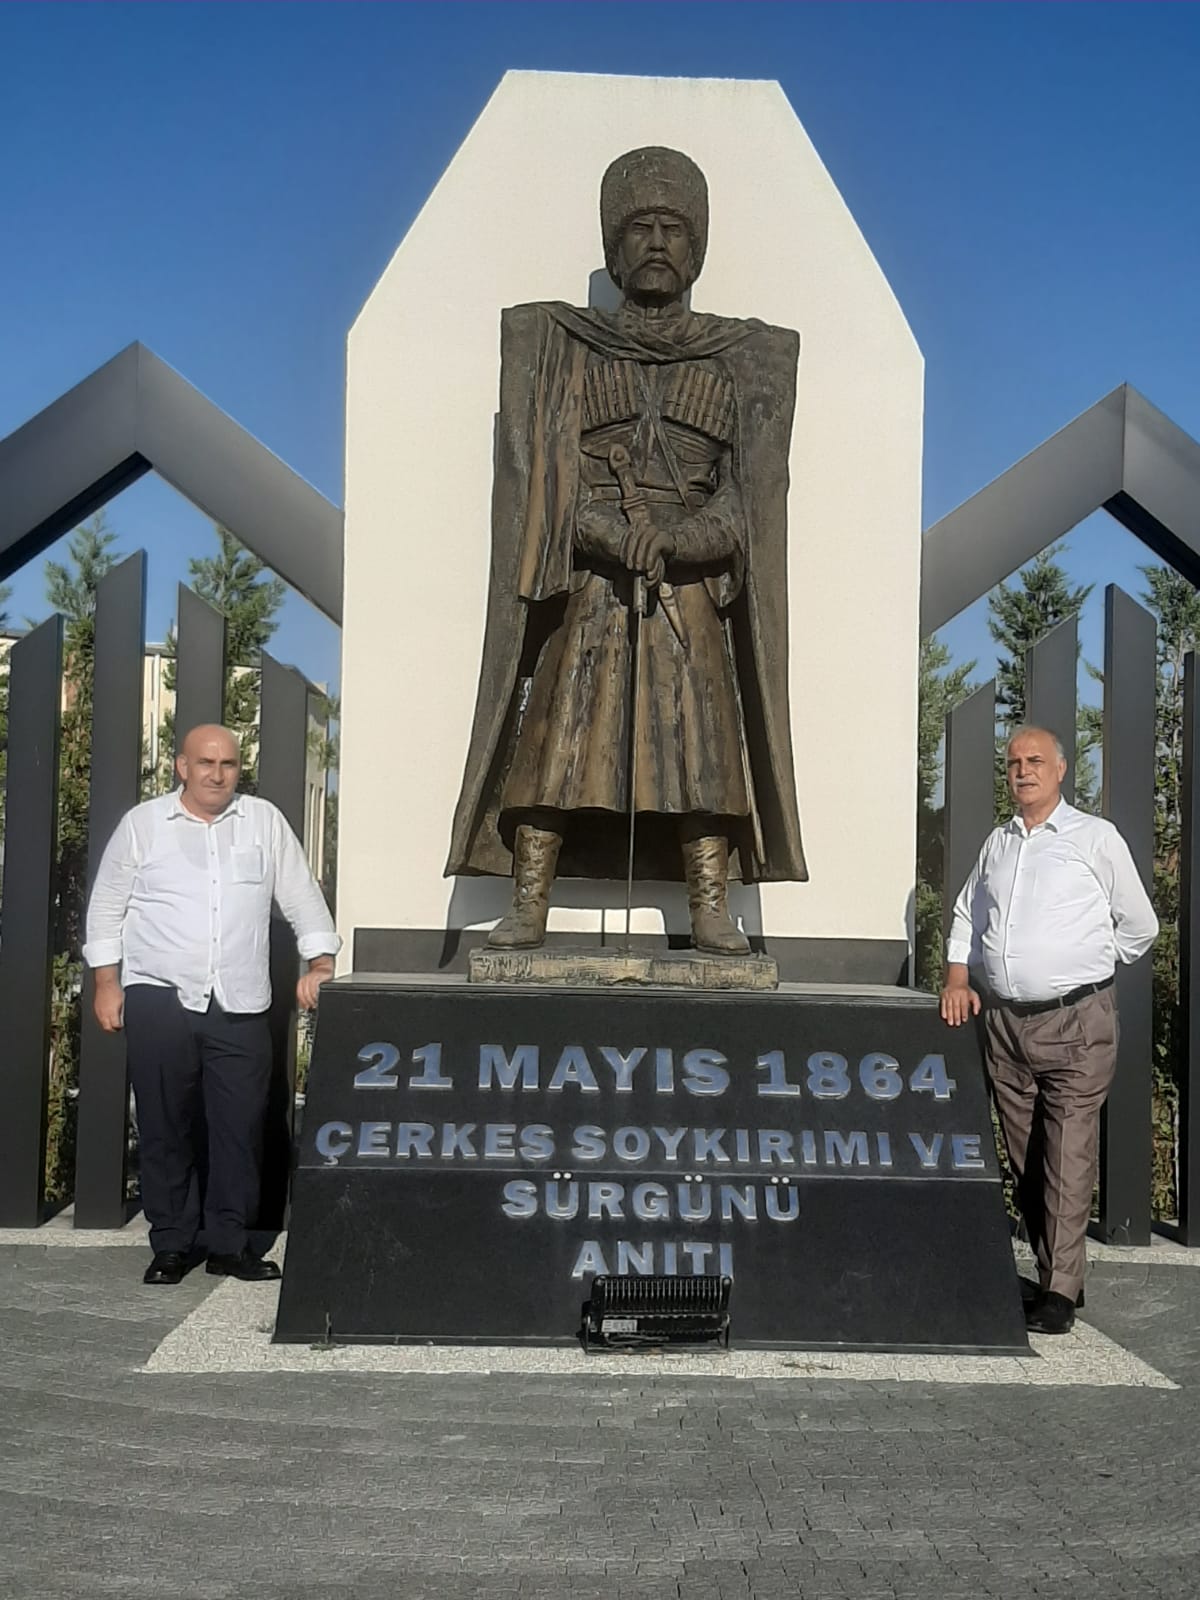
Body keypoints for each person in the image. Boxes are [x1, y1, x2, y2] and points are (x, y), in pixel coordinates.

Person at [445, 145, 807, 953]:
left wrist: (682, 538)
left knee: (705, 748)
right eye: (638, 227)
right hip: (593, 584)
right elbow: (549, 482)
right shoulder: (565, 348)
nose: (654, 242)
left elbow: (746, 499)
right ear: (613, 247)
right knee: (557, 738)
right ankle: (528, 903)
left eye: (672, 228)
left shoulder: (736, 356)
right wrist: (607, 532)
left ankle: (711, 907)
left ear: (696, 248)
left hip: (687, 588)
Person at [83, 724, 341, 1286]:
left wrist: (320, 962)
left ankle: (231, 1245)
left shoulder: (263, 822)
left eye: (227, 764)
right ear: (182, 766)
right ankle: (172, 1244)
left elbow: (301, 894)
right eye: (206, 763)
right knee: (163, 1123)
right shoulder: (143, 826)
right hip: (159, 996)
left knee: (240, 1127)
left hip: (242, 1004)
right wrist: (107, 982)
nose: (217, 774)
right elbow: (107, 907)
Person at [940, 725, 1158, 1334]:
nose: (1022, 771)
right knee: (1026, 1158)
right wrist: (959, 977)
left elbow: (1140, 925)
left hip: (1077, 1021)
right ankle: (1061, 1274)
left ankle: (1059, 1292)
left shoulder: (1095, 838)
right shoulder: (998, 844)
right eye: (1013, 762)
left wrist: (1086, 965)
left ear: (1062, 770)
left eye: (1035, 761)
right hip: (1006, 1025)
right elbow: (965, 913)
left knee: (1067, 1152)